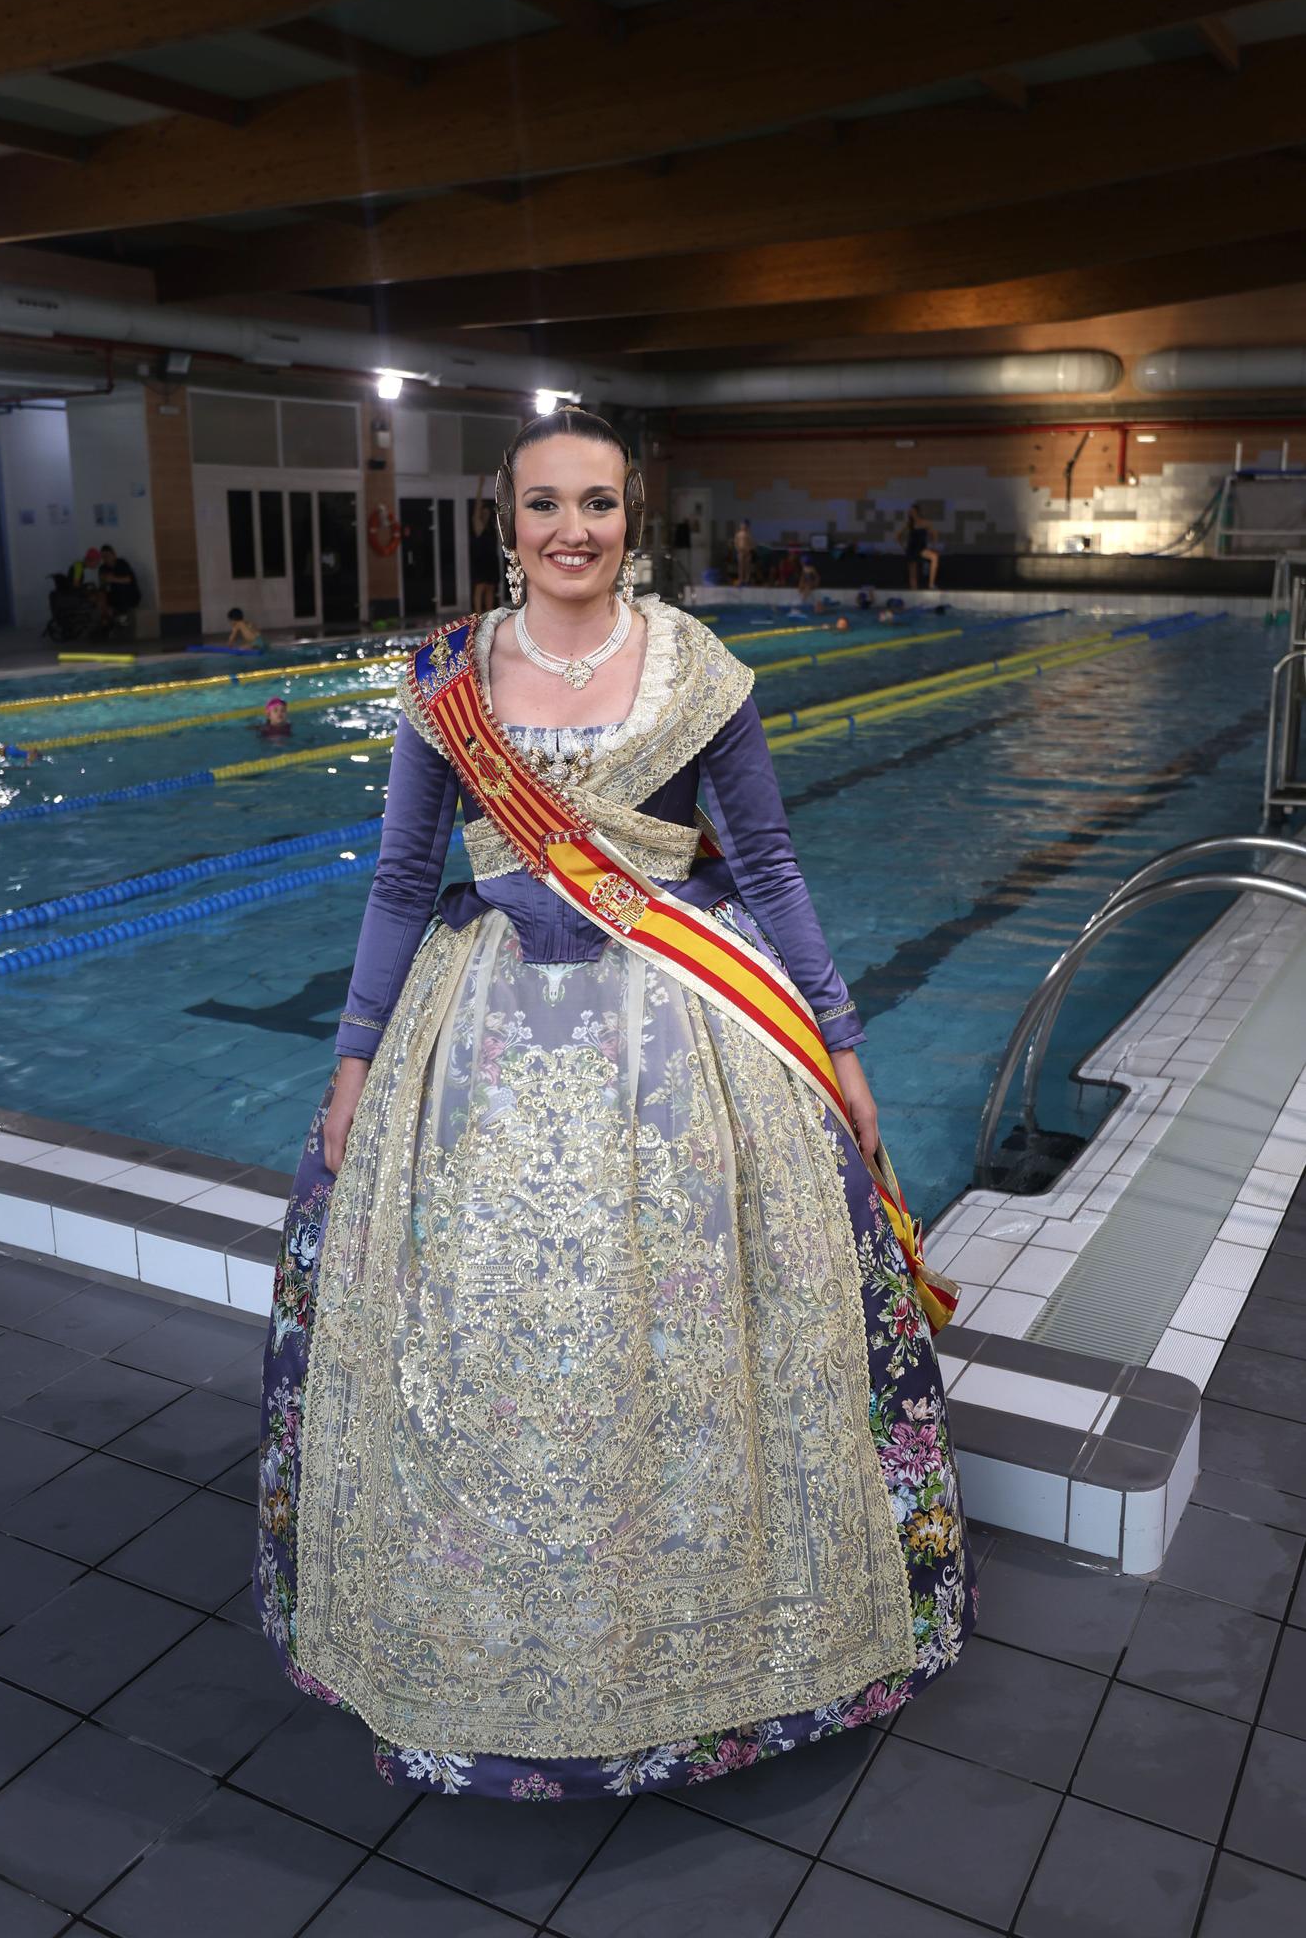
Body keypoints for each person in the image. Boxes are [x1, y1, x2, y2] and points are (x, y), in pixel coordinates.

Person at [254, 407, 974, 1802]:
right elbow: (405, 883)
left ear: (632, 519)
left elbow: (765, 861)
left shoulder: (699, 670)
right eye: (543, 505)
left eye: (597, 503)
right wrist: (350, 1066)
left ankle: (718, 1637)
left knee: (688, 1326)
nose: (571, 530)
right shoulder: (447, 681)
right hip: (476, 1040)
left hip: (682, 1036)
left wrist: (840, 1042)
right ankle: (484, 1639)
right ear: (502, 520)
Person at [469, 476, 501, 617]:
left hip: (491, 559)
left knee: (490, 587)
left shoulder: (492, 528)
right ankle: (477, 615)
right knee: (480, 587)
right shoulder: (478, 525)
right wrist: (480, 487)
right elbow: (477, 507)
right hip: (481, 560)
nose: (486, 513)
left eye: (488, 511)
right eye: (484, 511)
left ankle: (488, 614)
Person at [96, 545, 140, 633]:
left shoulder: (121, 563)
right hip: (114, 596)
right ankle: (106, 619)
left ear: (114, 555)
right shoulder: (103, 568)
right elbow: (103, 586)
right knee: (100, 593)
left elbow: (128, 580)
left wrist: (112, 579)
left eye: (107, 556)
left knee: (120, 586)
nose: (105, 559)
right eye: (103, 557)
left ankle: (122, 616)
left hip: (130, 595)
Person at [901, 506, 939, 590]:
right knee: (913, 574)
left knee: (934, 557)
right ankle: (914, 591)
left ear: (918, 512)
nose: (912, 514)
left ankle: (931, 584)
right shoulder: (909, 524)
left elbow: (934, 534)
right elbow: (898, 535)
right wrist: (903, 546)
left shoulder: (925, 523)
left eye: (913, 512)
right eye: (910, 512)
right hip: (912, 549)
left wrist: (933, 546)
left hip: (921, 548)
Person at [734, 516, 754, 586]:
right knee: (741, 567)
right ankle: (741, 580)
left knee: (747, 567)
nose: (744, 526)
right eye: (743, 525)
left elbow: (751, 544)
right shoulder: (738, 534)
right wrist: (739, 549)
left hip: (747, 552)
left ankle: (747, 580)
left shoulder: (749, 535)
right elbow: (736, 543)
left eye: (746, 525)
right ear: (741, 525)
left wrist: (749, 550)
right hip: (741, 552)